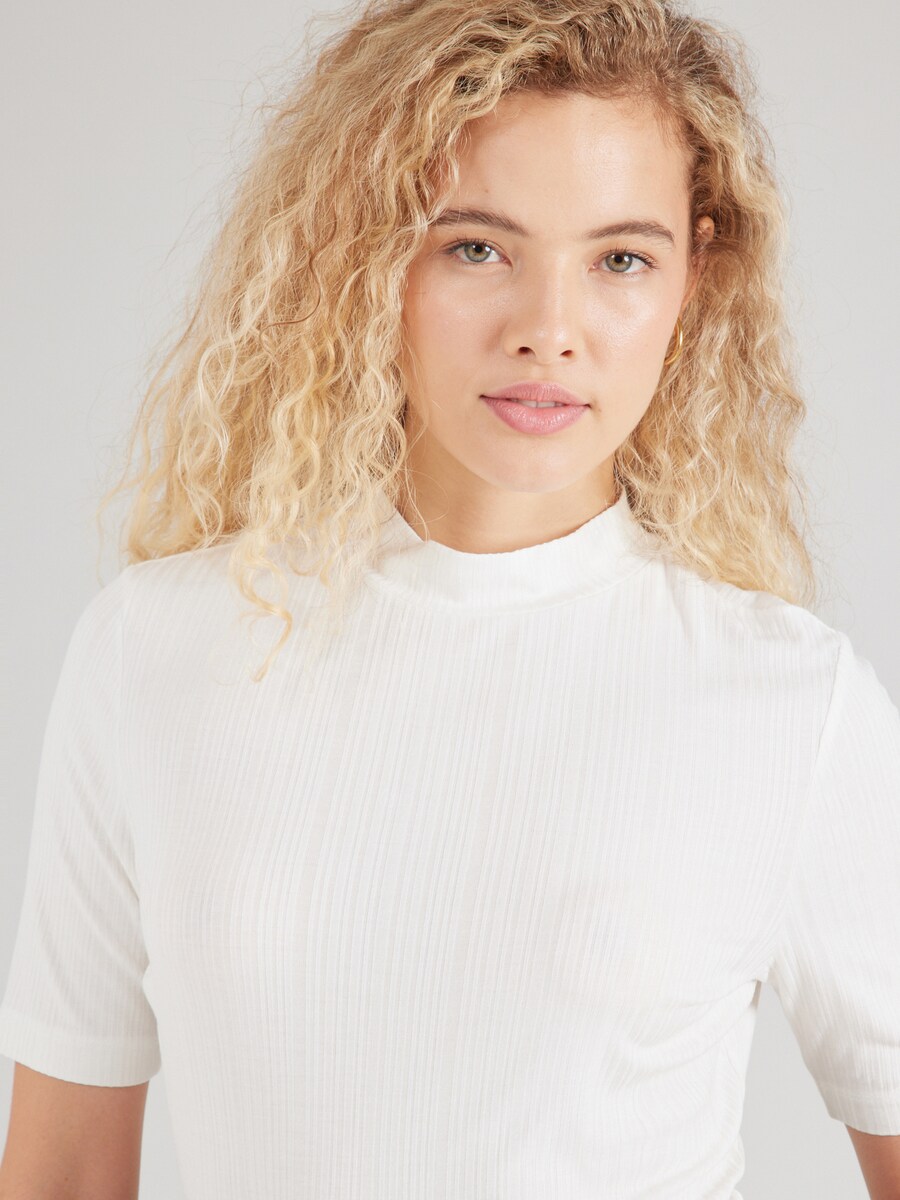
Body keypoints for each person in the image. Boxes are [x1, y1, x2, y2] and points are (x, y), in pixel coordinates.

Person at [1, 0, 899, 1196]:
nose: (549, 332)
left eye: (621, 260)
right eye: (476, 247)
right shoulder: (156, 651)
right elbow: (61, 1170)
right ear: (368, 253)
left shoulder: (791, 700)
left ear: (696, 276)